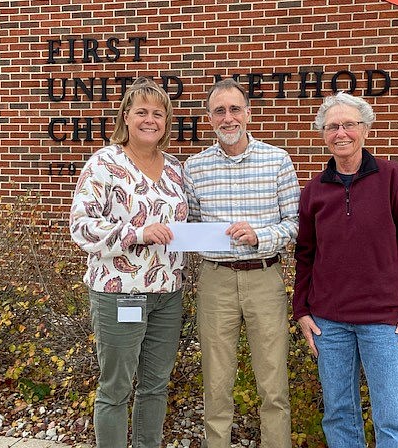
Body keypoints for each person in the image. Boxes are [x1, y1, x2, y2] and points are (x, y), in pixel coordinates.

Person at [293, 92, 398, 448]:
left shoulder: (393, 178)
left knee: (392, 418)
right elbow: (306, 255)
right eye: (332, 127)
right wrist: (302, 310)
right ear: (323, 134)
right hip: (329, 322)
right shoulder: (314, 190)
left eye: (349, 125)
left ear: (365, 129)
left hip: (385, 321)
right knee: (339, 415)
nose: (341, 133)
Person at [70, 77, 187, 448]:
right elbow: (81, 227)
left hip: (168, 294)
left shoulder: (174, 169)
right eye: (141, 112)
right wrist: (137, 233)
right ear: (126, 116)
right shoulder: (105, 163)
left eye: (158, 113)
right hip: (122, 293)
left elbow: (186, 224)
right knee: (116, 387)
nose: (150, 119)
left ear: (167, 121)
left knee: (155, 385)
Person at [183, 78, 300, 448]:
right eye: (219, 111)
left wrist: (260, 236)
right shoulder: (194, 168)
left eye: (235, 109)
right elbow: (194, 226)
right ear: (209, 118)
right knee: (216, 383)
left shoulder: (277, 160)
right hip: (216, 281)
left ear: (248, 113)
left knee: (273, 384)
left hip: (265, 278)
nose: (228, 118)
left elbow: (297, 224)